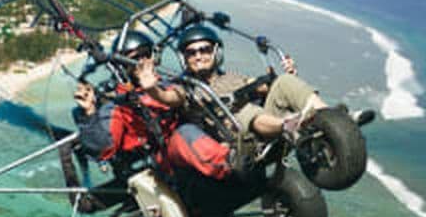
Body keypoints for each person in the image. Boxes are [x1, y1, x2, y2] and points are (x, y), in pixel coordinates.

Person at [73, 31, 234, 181]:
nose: (143, 62)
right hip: (163, 163)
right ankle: (229, 165)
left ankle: (239, 148)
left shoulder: (168, 83)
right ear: (123, 66)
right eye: (135, 58)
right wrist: (89, 112)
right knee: (185, 134)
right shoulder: (118, 105)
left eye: (146, 55)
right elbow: (102, 149)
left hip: (192, 150)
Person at [135, 24, 329, 144]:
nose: (199, 56)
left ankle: (330, 116)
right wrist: (152, 89)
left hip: (263, 122)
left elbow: (261, 87)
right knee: (244, 111)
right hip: (232, 134)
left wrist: (283, 77)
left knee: (285, 82)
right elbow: (170, 98)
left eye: (205, 50)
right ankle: (289, 125)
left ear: (215, 53)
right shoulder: (186, 86)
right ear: (184, 58)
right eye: (191, 53)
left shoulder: (231, 76)